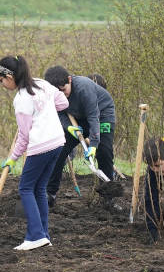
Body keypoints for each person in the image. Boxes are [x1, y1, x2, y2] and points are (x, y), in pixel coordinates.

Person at [0, 55, 69, 251]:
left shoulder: (21, 100)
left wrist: (12, 158)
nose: (2, 84)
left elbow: (24, 137)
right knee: (40, 189)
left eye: (1, 80)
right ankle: (44, 234)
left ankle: (35, 235)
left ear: (9, 76)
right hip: (58, 143)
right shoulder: (41, 83)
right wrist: (46, 110)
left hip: (41, 147)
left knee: (25, 188)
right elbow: (63, 103)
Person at [43, 66, 116, 208]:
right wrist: (68, 127)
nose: (62, 96)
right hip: (76, 117)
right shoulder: (52, 93)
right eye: (58, 93)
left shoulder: (84, 88)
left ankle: (108, 199)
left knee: (104, 151)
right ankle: (50, 193)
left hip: (102, 114)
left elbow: (94, 117)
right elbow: (58, 112)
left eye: (64, 90)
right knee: (59, 148)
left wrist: (94, 145)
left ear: (69, 80)